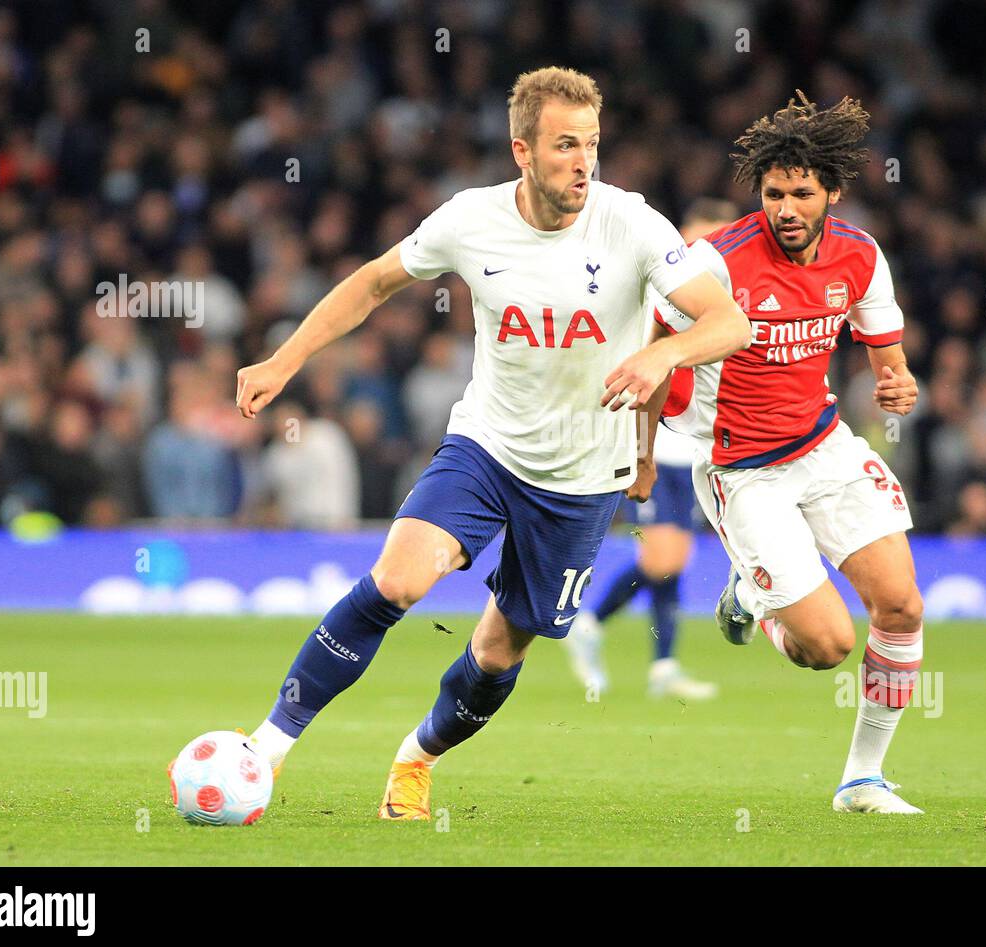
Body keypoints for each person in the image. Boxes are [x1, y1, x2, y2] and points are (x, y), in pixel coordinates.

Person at [226, 67, 749, 820]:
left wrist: (661, 362)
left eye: (592, 145)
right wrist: (285, 360)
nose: (582, 162)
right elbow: (372, 283)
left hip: (581, 477)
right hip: (488, 448)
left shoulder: (633, 224)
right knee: (397, 582)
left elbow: (728, 323)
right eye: (565, 145)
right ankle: (264, 752)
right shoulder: (470, 220)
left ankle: (416, 758)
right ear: (522, 152)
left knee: (501, 650)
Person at [649, 93, 926, 814]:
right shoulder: (718, 263)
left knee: (899, 606)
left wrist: (896, 383)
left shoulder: (860, 257)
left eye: (802, 192)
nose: (787, 206)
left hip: (823, 444)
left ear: (831, 190)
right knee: (825, 647)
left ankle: (862, 779)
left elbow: (886, 357)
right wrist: (642, 457)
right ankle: (750, 594)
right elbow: (657, 355)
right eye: (774, 192)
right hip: (742, 472)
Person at [565, 199, 740, 700]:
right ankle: (591, 623)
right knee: (665, 557)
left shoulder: (722, 302)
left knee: (673, 563)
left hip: (697, 447)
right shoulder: (653, 289)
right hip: (658, 442)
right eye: (704, 238)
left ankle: (663, 666)